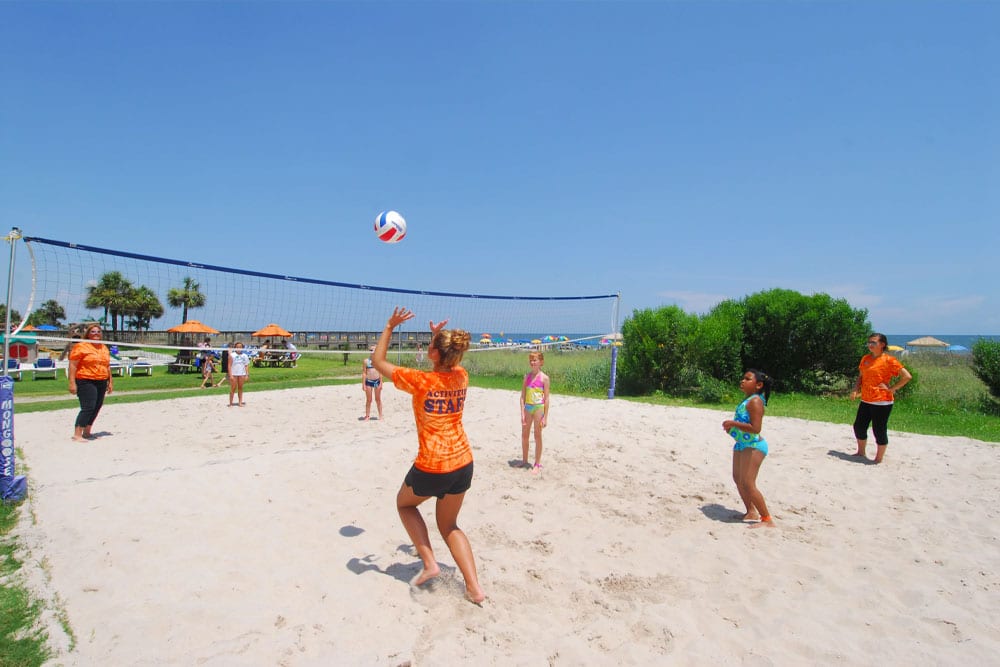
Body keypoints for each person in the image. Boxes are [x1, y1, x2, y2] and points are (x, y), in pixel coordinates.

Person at [371, 307, 485, 605]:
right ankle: (474, 589)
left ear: (433, 353)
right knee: (450, 526)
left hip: (433, 465)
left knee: (404, 505)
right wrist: (437, 337)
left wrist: (389, 326)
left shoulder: (420, 381)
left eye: (431, 346)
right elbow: (446, 359)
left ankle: (430, 562)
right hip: (463, 461)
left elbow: (377, 361)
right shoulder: (461, 376)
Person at [722, 369, 774, 527]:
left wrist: (733, 424)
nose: (743, 381)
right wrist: (732, 430)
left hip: (754, 446)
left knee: (748, 483)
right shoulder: (748, 399)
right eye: (743, 378)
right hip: (742, 444)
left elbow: (755, 428)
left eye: (747, 379)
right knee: (738, 478)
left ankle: (767, 519)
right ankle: (751, 511)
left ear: (758, 385)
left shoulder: (756, 401)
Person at [850, 333, 912, 464]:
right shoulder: (866, 358)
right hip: (866, 399)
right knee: (859, 427)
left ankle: (878, 458)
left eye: (873, 342)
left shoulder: (889, 360)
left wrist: (892, 389)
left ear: (882, 344)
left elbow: (907, 376)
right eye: (869, 342)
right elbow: (861, 376)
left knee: (879, 429)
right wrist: (856, 389)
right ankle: (861, 452)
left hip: (882, 401)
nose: (870, 345)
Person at [67, 323, 113, 442]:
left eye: (98, 332)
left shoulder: (103, 347)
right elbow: (73, 365)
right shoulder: (81, 346)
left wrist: (110, 382)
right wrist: (72, 382)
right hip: (85, 379)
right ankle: (77, 434)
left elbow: (107, 366)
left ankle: (87, 432)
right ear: (88, 334)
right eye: (93, 332)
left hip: (101, 380)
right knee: (88, 406)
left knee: (97, 406)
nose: (96, 334)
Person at [519, 351, 550, 473]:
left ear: (541, 362)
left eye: (535, 360)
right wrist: (522, 413)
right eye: (531, 360)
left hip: (538, 408)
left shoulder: (545, 378)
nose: (533, 362)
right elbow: (522, 397)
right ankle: (525, 460)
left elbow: (547, 398)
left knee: (537, 436)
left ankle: (537, 463)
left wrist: (545, 417)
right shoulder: (526, 377)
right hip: (528, 408)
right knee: (524, 435)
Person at [360, 345, 384, 421]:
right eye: (371, 350)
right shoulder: (366, 361)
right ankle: (367, 416)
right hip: (368, 382)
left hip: (377, 381)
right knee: (369, 400)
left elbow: (381, 372)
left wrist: (381, 383)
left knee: (378, 399)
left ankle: (380, 416)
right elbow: (364, 373)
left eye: (374, 350)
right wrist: (363, 384)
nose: (373, 351)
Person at [227, 342, 251, 406]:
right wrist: (230, 375)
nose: (239, 348)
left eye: (240, 347)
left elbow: (246, 366)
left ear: (242, 348)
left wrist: (247, 374)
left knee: (240, 388)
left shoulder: (245, 356)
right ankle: (231, 403)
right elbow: (229, 365)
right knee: (233, 388)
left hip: (242, 374)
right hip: (234, 374)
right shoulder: (232, 355)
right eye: (237, 347)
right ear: (235, 347)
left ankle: (240, 402)